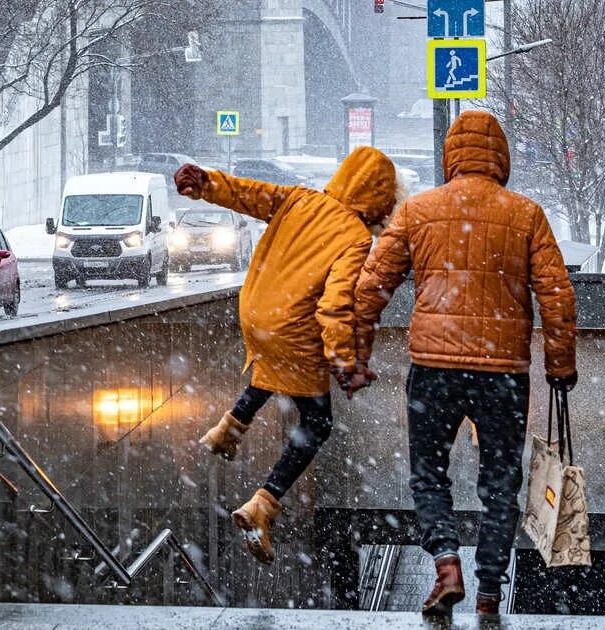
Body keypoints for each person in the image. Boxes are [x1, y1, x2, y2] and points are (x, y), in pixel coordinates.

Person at [353, 111, 577, 616]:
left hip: (433, 368)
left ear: (450, 156)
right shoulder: (526, 215)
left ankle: (447, 563)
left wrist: (356, 353)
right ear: (502, 158)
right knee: (501, 484)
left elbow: (370, 288)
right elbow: (558, 296)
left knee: (429, 475)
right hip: (503, 373)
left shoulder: (416, 211)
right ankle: (490, 591)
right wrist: (559, 365)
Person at [175, 147, 398, 565]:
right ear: (380, 201)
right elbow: (334, 308)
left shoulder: (301, 199)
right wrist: (344, 362)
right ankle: (263, 505)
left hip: (256, 310)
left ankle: (228, 428)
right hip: (292, 325)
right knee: (318, 421)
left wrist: (205, 183)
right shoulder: (354, 237)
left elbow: (250, 194)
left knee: (273, 364)